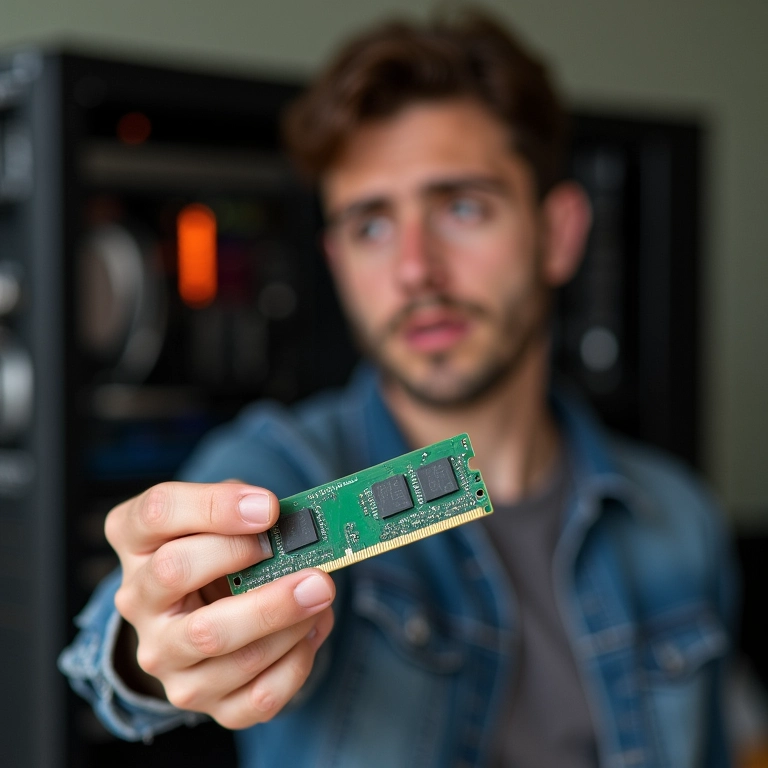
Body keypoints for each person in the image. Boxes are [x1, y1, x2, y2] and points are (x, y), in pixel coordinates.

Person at [60, 9, 737, 767]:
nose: (416, 269)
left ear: (560, 232)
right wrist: (151, 641)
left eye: (462, 207)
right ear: (337, 259)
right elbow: (120, 648)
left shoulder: (680, 522)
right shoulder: (282, 470)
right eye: (371, 226)